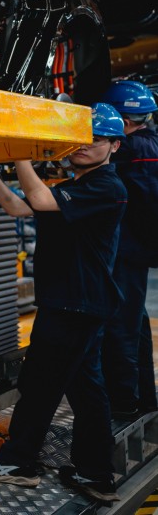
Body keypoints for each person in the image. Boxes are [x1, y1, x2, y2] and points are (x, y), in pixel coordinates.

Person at [0, 103, 127, 503]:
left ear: (115, 146)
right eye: (78, 140)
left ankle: (17, 462)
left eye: (96, 140)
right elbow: (18, 205)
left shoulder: (107, 186)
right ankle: (95, 473)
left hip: (75, 306)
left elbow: (37, 199)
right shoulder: (75, 189)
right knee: (87, 389)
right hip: (76, 305)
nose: (84, 146)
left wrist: (18, 149)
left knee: (39, 386)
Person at [99, 80, 158, 419]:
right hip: (139, 253)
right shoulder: (150, 143)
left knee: (120, 328)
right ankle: (144, 399)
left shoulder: (131, 150)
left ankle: (123, 405)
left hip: (127, 252)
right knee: (135, 325)